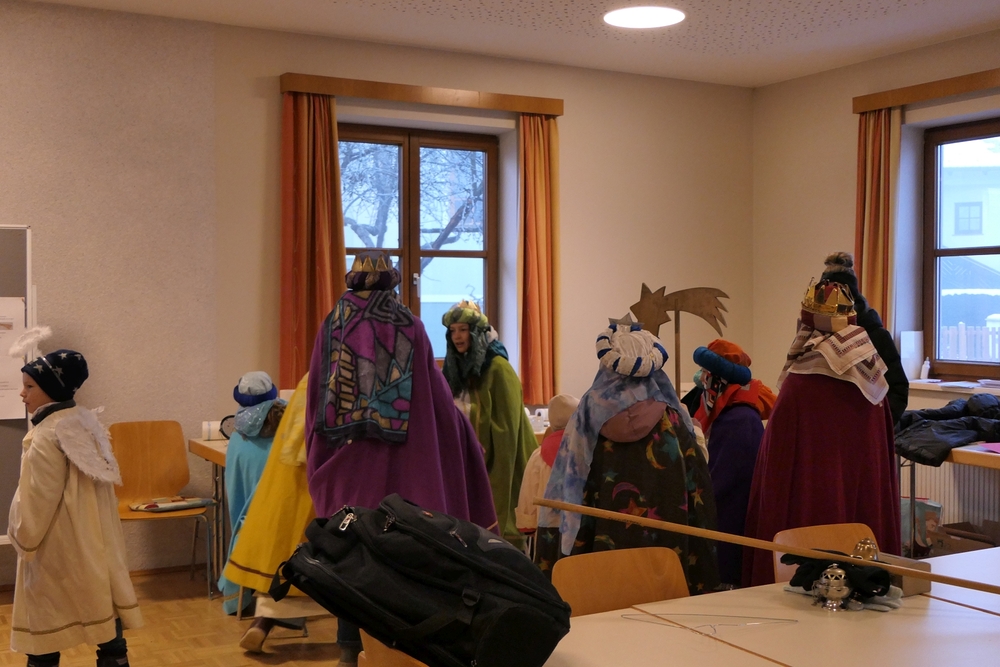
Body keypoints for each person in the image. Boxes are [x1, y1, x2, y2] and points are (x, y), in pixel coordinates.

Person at [306, 252, 497, 667]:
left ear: (353, 279)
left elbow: (317, 400)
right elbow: (436, 396)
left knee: (352, 554)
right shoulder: (408, 322)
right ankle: (407, 651)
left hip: (350, 462)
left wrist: (317, 455)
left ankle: (349, 651)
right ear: (390, 281)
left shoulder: (334, 322)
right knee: (408, 554)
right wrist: (462, 436)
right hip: (411, 463)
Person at [537, 320, 720, 594]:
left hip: (601, 550)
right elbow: (698, 489)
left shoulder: (586, 419)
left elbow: (567, 485)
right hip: (666, 554)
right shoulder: (672, 420)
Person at [742, 276, 902, 587]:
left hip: (809, 505)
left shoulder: (800, 384)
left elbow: (776, 465)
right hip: (861, 509)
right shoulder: (874, 380)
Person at [9, 343, 142, 667]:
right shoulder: (84, 422)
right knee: (103, 608)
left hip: (57, 547)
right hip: (95, 541)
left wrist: (22, 537)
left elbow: (37, 499)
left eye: (30, 387)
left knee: (44, 622)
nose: (22, 394)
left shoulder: (45, 436)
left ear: (52, 389)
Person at [224, 374, 329, 652]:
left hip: (270, 507)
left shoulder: (237, 435)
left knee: (284, 554)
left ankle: (263, 620)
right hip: (322, 488)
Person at [442, 300, 537, 549]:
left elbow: (507, 432)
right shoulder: (457, 369)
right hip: (468, 459)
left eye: (463, 330)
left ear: (476, 332)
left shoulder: (499, 368)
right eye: (453, 331)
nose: (457, 337)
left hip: (500, 461)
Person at [691, 339, 775, 588]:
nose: (701, 379)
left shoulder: (739, 419)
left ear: (718, 380)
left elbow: (726, 481)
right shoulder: (731, 412)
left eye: (705, 373)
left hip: (731, 520)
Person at [217, 371, 286, 616]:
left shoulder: (238, 435)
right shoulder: (288, 427)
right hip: (284, 519)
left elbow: (235, 484)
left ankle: (243, 592)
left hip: (248, 525)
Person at [820, 252, 909, 425]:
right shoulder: (817, 335)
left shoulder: (876, 336)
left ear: (851, 298)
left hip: (868, 426)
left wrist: (879, 424)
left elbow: (898, 388)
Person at [515, 394, 579, 540]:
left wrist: (527, 523)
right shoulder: (588, 452)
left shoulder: (539, 455)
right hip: (580, 525)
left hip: (548, 527)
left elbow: (529, 490)